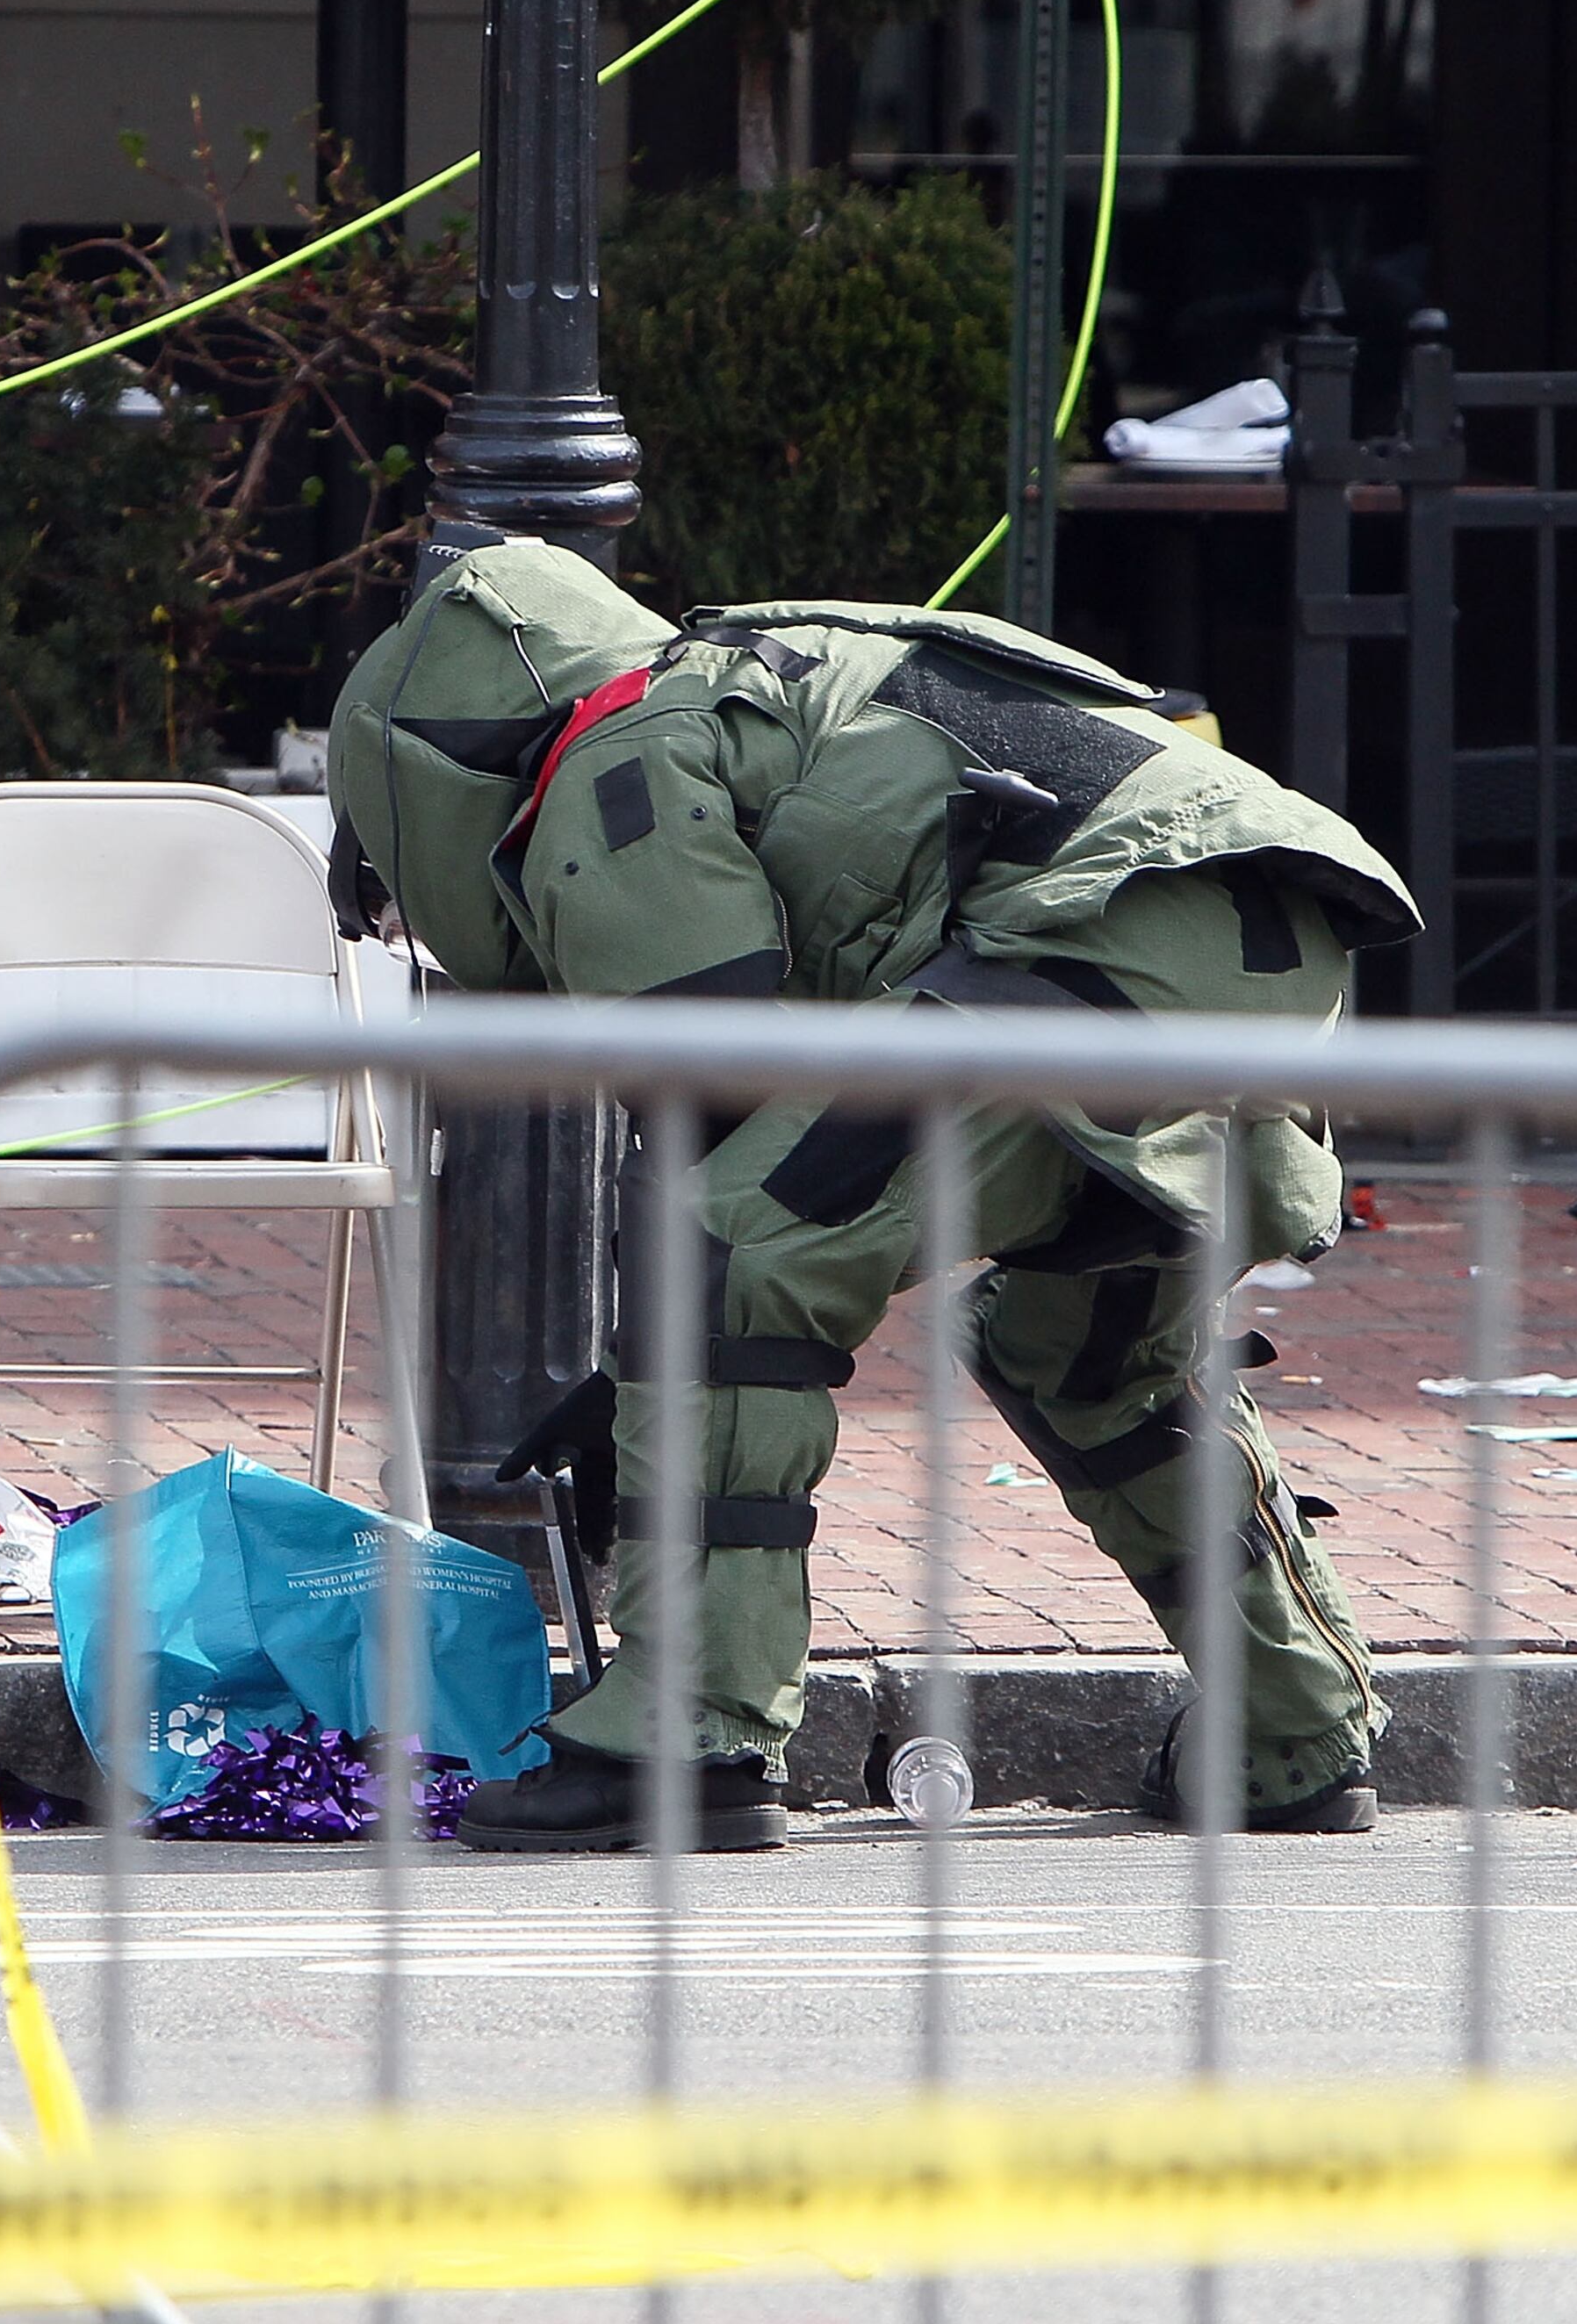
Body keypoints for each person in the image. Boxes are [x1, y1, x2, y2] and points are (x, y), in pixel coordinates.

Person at [325, 538, 1419, 1853]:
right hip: (1241, 966)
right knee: (1084, 1354)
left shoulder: (612, 747)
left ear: (420, 774)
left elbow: (720, 1077)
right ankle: (1295, 1732)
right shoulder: (765, 681)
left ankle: (694, 1731)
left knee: (726, 1255)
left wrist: (661, 1370)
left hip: (1078, 963)